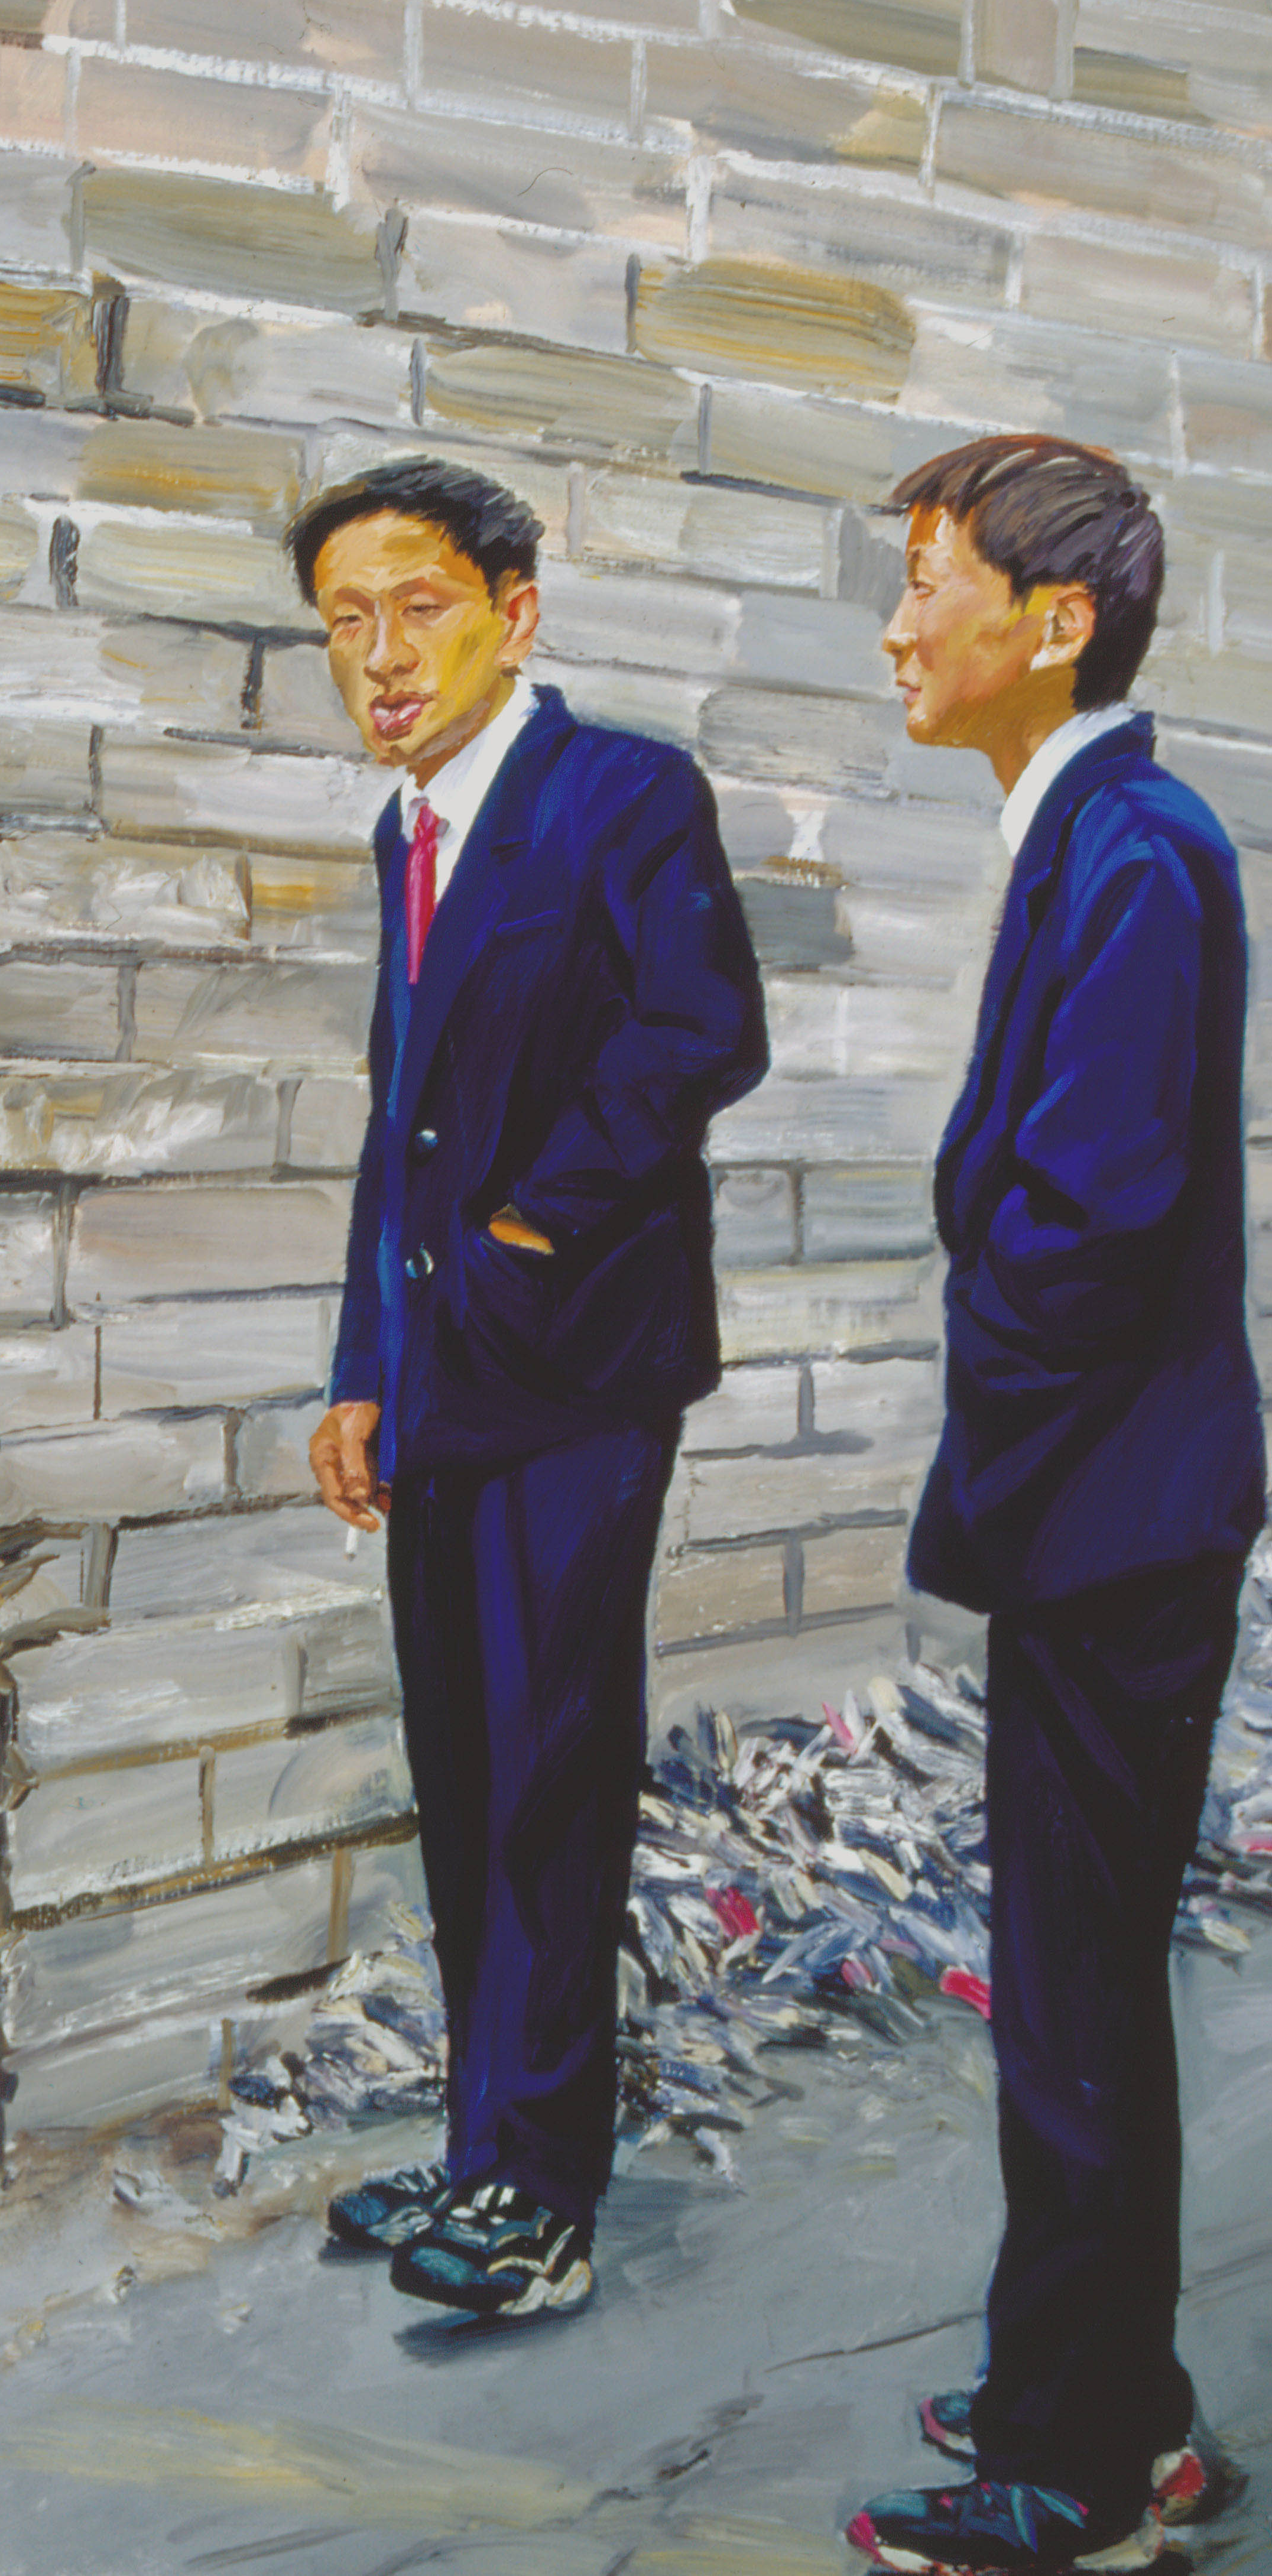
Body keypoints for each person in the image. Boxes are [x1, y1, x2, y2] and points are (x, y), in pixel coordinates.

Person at [842, 438, 1258, 2576]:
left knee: (1075, 2010)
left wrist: (992, 1395)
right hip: (1114, 1510)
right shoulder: (1094, 830)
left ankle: (1074, 2470)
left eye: (929, 581)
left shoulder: (1134, 848)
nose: (895, 627)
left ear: (1057, 619)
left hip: (1113, 1516)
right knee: (1074, 1990)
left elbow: (1080, 1227)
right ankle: (1123, 2407)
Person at [300, 458, 768, 2322]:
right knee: (461, 1768)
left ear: (514, 611)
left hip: (575, 1368)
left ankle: (541, 2192)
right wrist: (359, 1366)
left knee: (551, 1774)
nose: (381, 655)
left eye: (417, 607)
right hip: (439, 1379)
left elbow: (700, 1028)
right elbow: (391, 1124)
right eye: (344, 622)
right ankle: (481, 2135)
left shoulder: (619, 794)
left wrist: (525, 1225)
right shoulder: (405, 829)